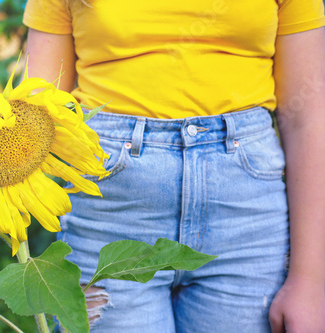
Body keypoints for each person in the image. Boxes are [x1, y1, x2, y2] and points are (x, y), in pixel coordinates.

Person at [21, 1, 325, 332]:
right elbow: (39, 109)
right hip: (109, 208)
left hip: (247, 220)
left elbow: (307, 116)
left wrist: (310, 280)